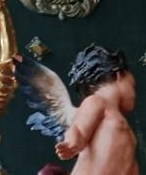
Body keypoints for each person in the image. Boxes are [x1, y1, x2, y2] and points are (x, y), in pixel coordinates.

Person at [56, 45, 138, 175]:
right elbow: (78, 127)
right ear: (119, 75)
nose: (134, 93)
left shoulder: (122, 127)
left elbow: (127, 165)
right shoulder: (96, 101)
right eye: (132, 85)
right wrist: (72, 144)